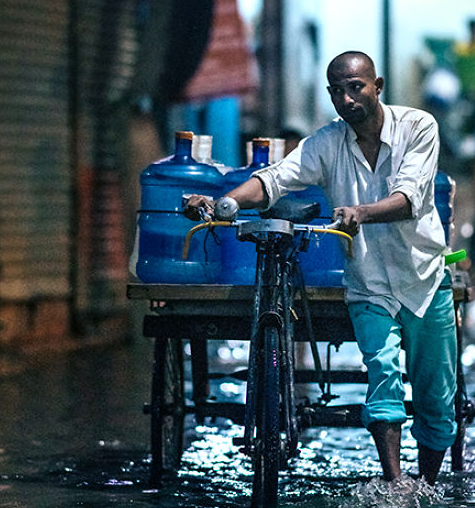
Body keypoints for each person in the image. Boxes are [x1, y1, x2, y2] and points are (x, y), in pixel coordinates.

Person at [183, 51, 457, 485]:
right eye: (337, 91)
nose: (347, 99)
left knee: (437, 399)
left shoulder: (418, 126)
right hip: (369, 283)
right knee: (383, 379)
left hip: (424, 277)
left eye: (356, 87)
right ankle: (395, 485)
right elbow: (275, 179)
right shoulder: (327, 143)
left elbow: (411, 199)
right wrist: (226, 203)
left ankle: (428, 484)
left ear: (377, 85)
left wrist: (361, 213)